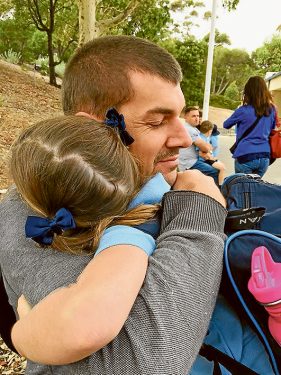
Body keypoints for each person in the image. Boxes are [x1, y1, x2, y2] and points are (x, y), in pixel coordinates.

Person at [0, 35, 227, 374]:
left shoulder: (155, 183)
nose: (183, 138)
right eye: (156, 120)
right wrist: (199, 214)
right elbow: (137, 363)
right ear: (93, 128)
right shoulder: (41, 209)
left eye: (179, 115)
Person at [223, 76, 277, 177]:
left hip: (245, 155)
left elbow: (226, 125)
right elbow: (272, 128)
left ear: (248, 91)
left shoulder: (243, 110)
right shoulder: (272, 109)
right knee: (255, 188)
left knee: (242, 189)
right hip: (265, 156)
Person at [179, 106, 219, 184]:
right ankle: (212, 193)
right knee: (214, 171)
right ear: (186, 117)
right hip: (189, 163)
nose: (197, 118)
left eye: (198, 116)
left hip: (189, 161)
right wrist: (207, 147)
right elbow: (205, 148)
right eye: (193, 116)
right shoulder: (189, 130)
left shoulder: (190, 128)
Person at [198, 120, 226, 186]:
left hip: (208, 158)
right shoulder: (202, 139)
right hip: (205, 160)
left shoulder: (205, 137)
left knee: (222, 167)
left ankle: (219, 184)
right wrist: (211, 157)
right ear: (209, 131)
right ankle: (219, 186)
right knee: (222, 168)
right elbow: (200, 153)